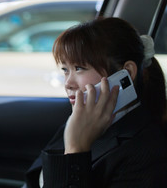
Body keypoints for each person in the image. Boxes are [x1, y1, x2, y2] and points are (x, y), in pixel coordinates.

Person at [24, 17, 167, 187]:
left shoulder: (147, 152)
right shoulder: (82, 118)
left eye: (79, 68)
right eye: (65, 70)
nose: (68, 83)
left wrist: (76, 149)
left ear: (126, 72)